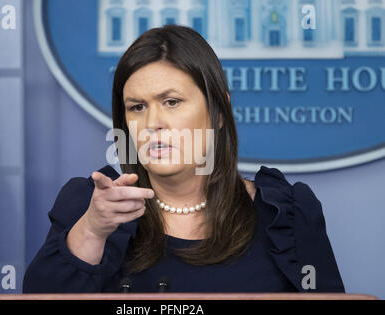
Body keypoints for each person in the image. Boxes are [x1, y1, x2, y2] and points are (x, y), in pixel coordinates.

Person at [23, 25, 345, 293]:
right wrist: (93, 231)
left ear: (219, 111)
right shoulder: (88, 206)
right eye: (137, 107)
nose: (153, 123)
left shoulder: (285, 213)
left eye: (172, 102)